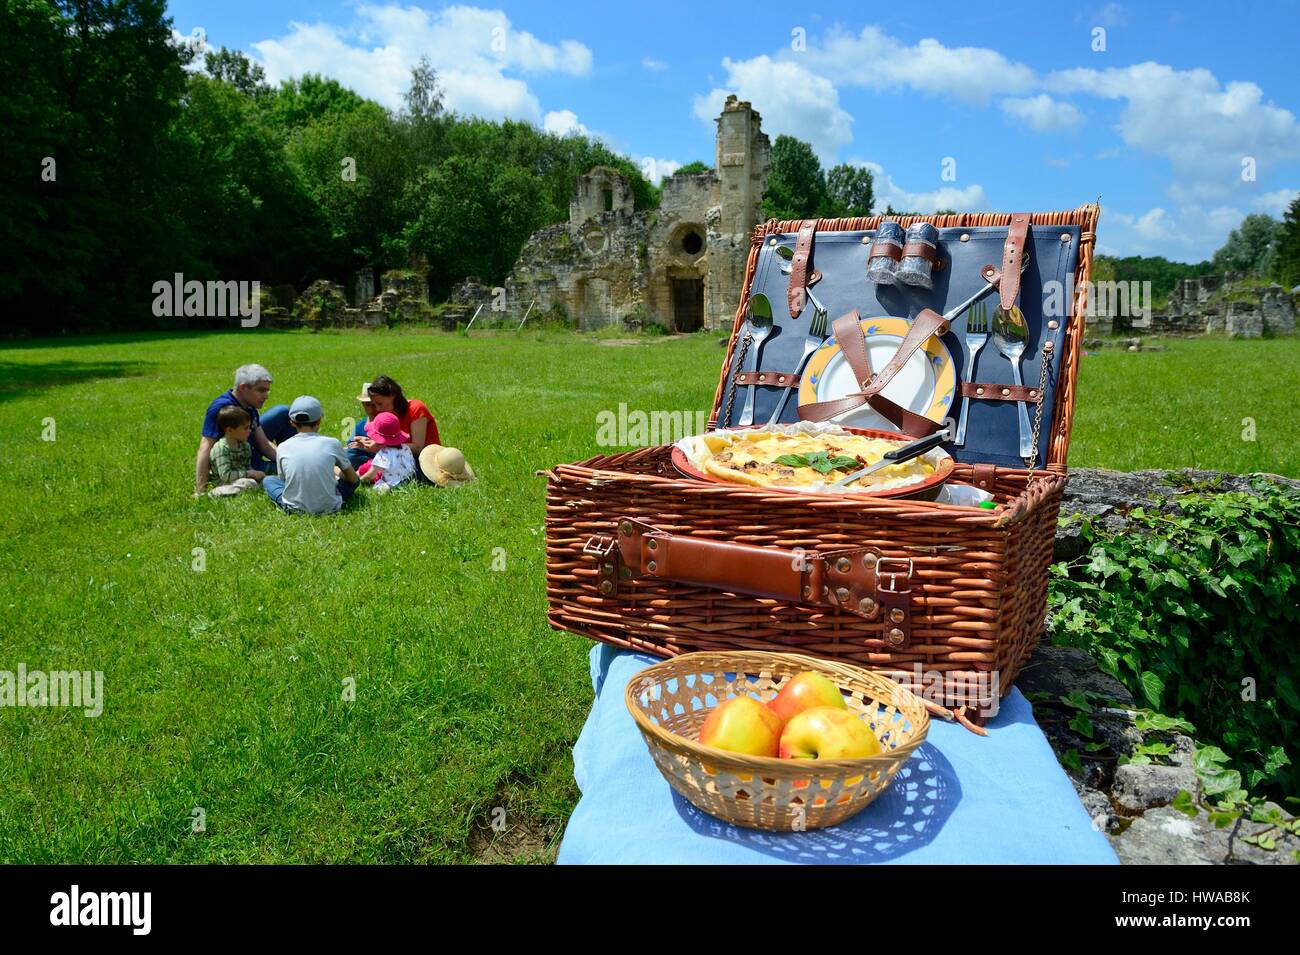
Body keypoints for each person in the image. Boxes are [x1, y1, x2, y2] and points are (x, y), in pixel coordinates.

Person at [196, 364, 293, 494]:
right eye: (261, 390)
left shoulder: (250, 405)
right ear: (243, 388)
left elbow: (263, 443)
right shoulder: (221, 408)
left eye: (267, 390)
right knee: (286, 473)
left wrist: (291, 460)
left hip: (247, 450)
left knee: (283, 412)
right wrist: (201, 490)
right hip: (236, 466)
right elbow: (205, 447)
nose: (266, 396)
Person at [263, 396, 359, 515]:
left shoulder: (282, 447)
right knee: (354, 482)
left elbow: (285, 481)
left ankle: (289, 505)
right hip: (331, 507)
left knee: (269, 480)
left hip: (295, 508)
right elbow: (353, 479)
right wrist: (335, 471)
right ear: (319, 420)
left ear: (292, 423)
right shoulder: (332, 443)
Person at [351, 376, 441, 466]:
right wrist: (366, 443)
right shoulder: (385, 413)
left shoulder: (416, 408)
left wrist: (382, 447)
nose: (377, 408)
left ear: (392, 395)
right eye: (374, 404)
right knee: (352, 457)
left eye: (380, 403)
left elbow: (418, 448)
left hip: (425, 461)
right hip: (397, 457)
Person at [207, 405, 265, 497]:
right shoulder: (221, 448)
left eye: (249, 427)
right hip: (223, 483)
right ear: (230, 430)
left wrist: (256, 474)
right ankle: (214, 494)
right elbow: (225, 475)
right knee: (248, 483)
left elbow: (246, 466)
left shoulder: (245, 446)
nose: (249, 431)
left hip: (241, 479)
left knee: (266, 481)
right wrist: (250, 474)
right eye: (245, 428)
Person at [357, 412, 416, 495]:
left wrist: (359, 481)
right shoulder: (405, 447)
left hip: (391, 483)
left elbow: (370, 476)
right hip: (408, 479)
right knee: (371, 464)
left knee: (376, 481)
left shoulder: (383, 453)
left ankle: (386, 488)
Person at [345, 382, 379, 472]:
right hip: (363, 457)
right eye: (368, 405)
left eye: (375, 404)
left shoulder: (386, 422)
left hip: (382, 457)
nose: (372, 409)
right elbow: (350, 445)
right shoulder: (362, 424)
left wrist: (365, 445)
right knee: (348, 455)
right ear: (363, 404)